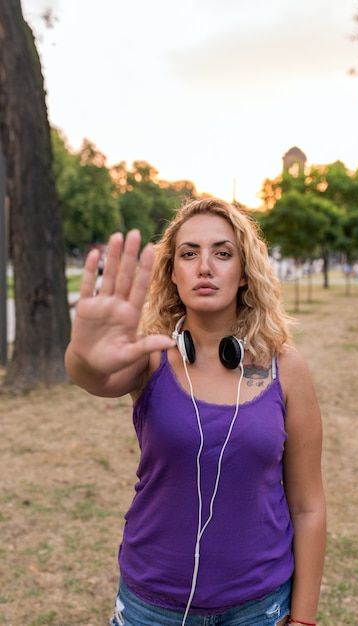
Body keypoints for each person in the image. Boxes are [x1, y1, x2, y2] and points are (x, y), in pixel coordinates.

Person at [65, 198, 326, 626]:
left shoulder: (287, 368)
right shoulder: (150, 357)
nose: (205, 266)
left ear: (244, 273)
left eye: (222, 253)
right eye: (189, 253)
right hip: (153, 606)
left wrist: (303, 620)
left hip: (259, 608)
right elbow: (93, 378)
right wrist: (83, 353)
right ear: (173, 273)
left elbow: (308, 505)